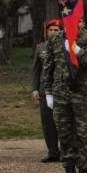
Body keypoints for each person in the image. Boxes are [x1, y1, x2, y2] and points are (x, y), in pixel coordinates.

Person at [41, 24, 87, 173]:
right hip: (60, 94)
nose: (75, 23)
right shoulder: (55, 38)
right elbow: (48, 66)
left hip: (81, 93)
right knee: (64, 134)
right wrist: (48, 91)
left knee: (83, 134)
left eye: (79, 20)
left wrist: (76, 49)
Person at [31, 19, 63, 162]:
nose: (53, 32)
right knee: (48, 122)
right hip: (45, 90)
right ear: (47, 31)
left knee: (63, 122)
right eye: (51, 30)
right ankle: (52, 151)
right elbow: (36, 70)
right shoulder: (41, 48)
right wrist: (35, 89)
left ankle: (66, 151)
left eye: (56, 30)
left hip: (62, 90)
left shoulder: (66, 47)